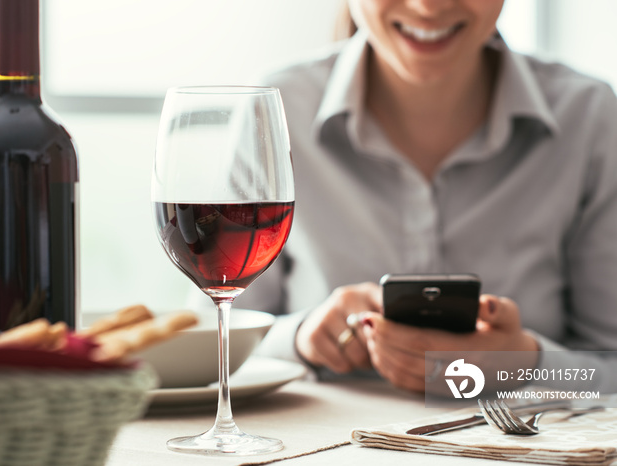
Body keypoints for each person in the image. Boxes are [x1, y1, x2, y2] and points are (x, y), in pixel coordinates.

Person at [226, 0, 617, 394]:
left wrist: (526, 367)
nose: (428, 5)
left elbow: (611, 364)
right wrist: (302, 338)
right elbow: (213, 339)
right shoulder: (276, 111)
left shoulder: (589, 117)